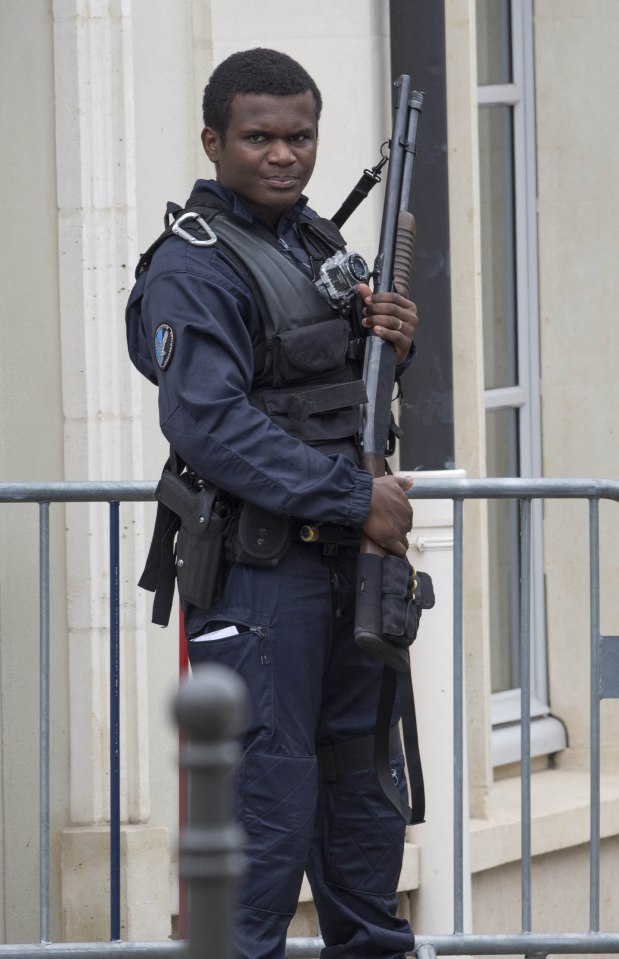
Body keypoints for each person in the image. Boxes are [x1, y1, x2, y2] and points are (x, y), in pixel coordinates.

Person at [126, 47, 418, 959]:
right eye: (259, 137)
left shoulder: (316, 241)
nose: (283, 155)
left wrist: (390, 345)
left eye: (300, 136)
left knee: (361, 802)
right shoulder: (192, 267)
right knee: (260, 817)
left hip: (347, 566)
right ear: (214, 140)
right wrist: (352, 496)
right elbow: (209, 422)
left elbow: (328, 392)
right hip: (260, 579)